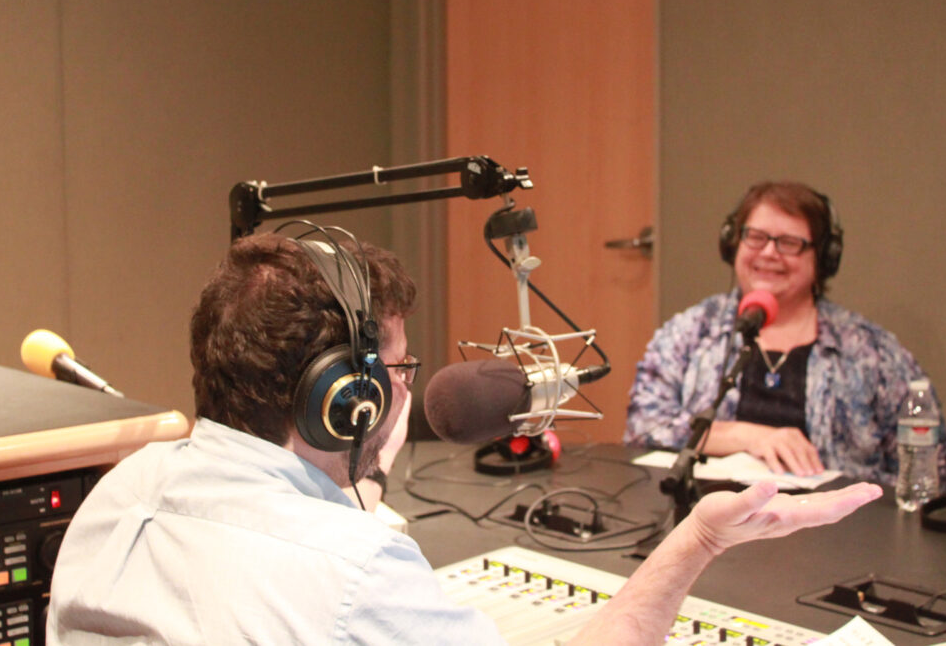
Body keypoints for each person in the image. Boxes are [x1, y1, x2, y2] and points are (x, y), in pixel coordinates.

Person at [47, 227, 882, 645]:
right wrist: (697, 540)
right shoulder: (355, 569)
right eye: (399, 367)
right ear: (345, 400)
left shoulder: (120, 492)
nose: (407, 388)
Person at [625, 181, 946, 486]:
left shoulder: (870, 350)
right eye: (755, 237)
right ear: (733, 244)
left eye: (789, 243)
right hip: (708, 517)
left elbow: (931, 463)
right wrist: (749, 437)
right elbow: (643, 429)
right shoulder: (690, 332)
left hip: (832, 523)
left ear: (823, 259)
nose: (769, 253)